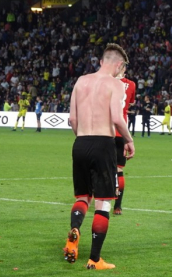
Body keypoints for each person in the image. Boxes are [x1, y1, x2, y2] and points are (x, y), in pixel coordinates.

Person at [64, 43, 135, 270]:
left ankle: (75, 230)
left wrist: (83, 138)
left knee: (83, 195)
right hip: (103, 144)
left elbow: (72, 120)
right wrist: (129, 140)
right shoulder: (115, 84)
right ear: (118, 64)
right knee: (103, 202)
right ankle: (95, 259)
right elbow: (116, 117)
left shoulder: (81, 81)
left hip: (80, 143)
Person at [113, 66, 136, 215]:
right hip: (122, 133)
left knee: (102, 167)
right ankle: (118, 207)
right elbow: (131, 103)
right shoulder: (131, 84)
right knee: (119, 169)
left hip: (105, 131)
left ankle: (102, 199)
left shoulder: (105, 82)